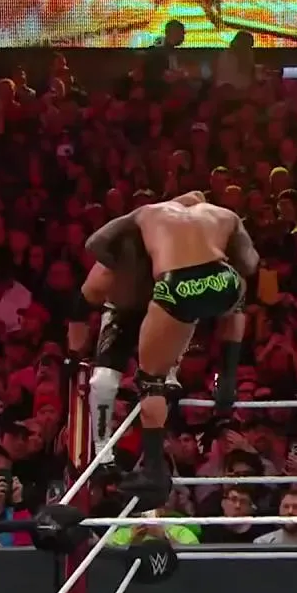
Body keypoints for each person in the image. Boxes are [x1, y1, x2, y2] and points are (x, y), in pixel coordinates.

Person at [82, 196, 258, 511]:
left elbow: (95, 243)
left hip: (177, 284)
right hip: (224, 280)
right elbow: (249, 262)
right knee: (237, 295)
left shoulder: (147, 213)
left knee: (150, 380)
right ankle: (227, 380)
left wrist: (132, 260)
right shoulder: (223, 214)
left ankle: (154, 471)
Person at [71, 193, 201, 454]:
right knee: (102, 382)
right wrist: (74, 356)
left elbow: (197, 198)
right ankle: (102, 451)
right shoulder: (107, 271)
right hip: (122, 312)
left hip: (164, 310)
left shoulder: (180, 251)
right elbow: (80, 307)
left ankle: (170, 372)